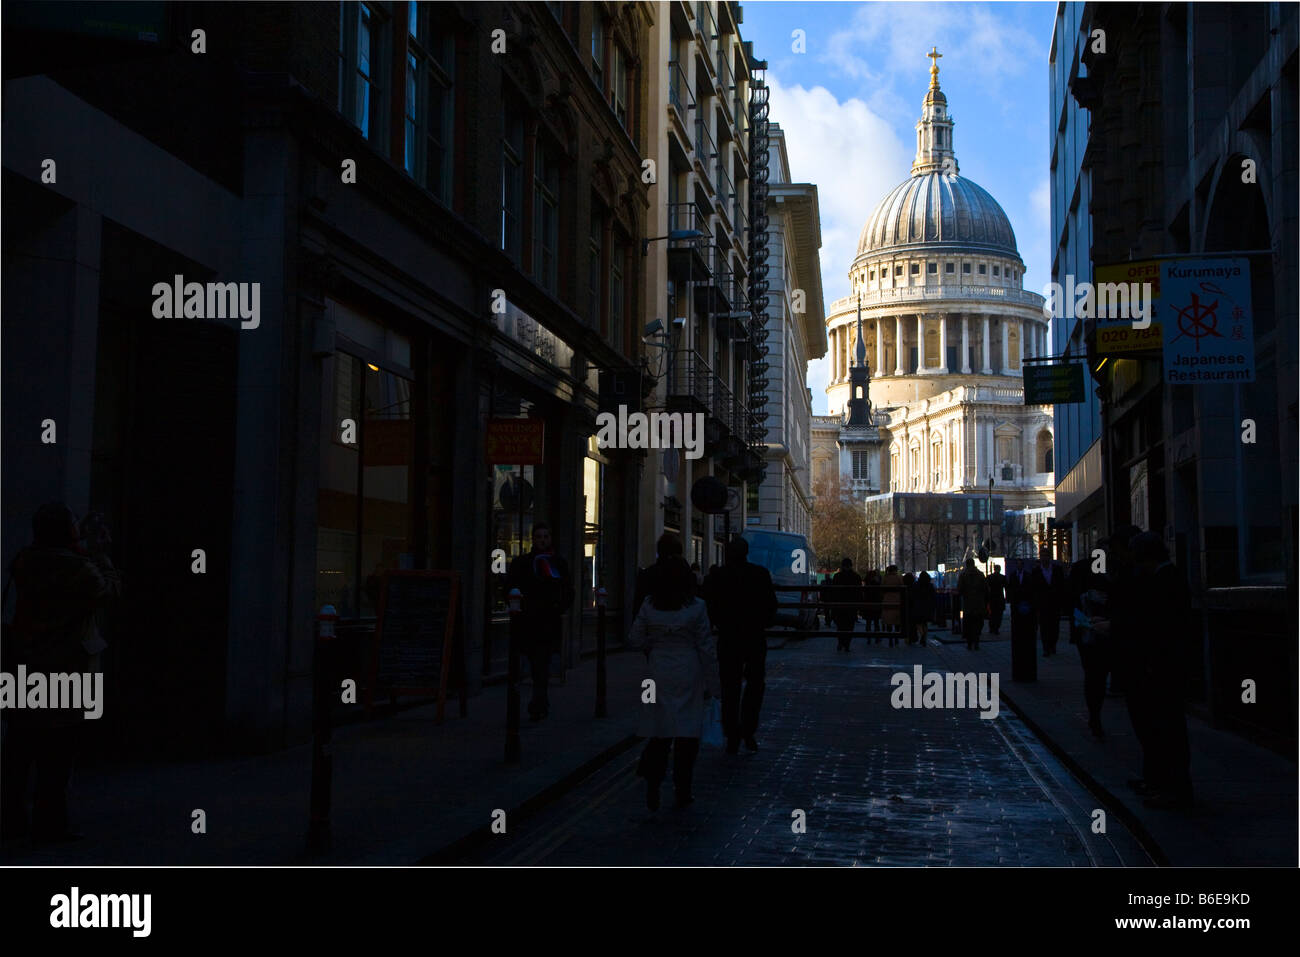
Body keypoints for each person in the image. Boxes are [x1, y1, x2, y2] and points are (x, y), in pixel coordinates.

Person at [1, 503, 120, 844]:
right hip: (66, 672)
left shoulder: (24, 562)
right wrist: (100, 553)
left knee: (19, 751)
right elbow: (109, 591)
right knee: (57, 755)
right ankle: (50, 823)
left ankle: (11, 820)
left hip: (23, 666)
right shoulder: (82, 569)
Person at [629, 553, 719, 810]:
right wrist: (715, 685)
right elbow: (706, 648)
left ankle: (653, 784)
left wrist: (654, 646)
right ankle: (683, 789)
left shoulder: (648, 605)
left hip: (657, 673)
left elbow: (634, 639)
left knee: (660, 732)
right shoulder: (697, 607)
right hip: (688, 673)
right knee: (687, 735)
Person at [1127, 531, 1194, 809]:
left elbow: (1162, 628)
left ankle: (1175, 791)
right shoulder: (1167, 577)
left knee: (1168, 731)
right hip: (1165, 666)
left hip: (1165, 668)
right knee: (1166, 730)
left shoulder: (1165, 581)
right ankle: (1168, 787)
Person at [702, 537, 778, 753]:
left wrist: (720, 622)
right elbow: (771, 606)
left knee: (730, 687)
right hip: (754, 637)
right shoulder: (760, 574)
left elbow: (709, 605)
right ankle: (748, 730)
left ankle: (732, 733)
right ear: (747, 552)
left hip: (728, 637)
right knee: (755, 685)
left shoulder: (717, 576)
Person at [507, 522, 574, 721]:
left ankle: (539, 700)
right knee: (532, 661)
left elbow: (568, 590)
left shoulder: (558, 563)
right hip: (527, 620)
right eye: (538, 537)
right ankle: (538, 700)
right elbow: (511, 587)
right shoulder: (522, 563)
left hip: (547, 620)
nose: (542, 540)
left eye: (545, 536)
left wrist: (558, 607)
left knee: (541, 662)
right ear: (533, 539)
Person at [1031, 546, 1068, 656]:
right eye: (1042, 556)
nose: (1044, 558)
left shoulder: (1057, 570)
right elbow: (1034, 589)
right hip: (1042, 604)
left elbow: (1062, 586)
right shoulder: (1036, 571)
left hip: (1054, 603)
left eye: (1046, 556)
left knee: (1054, 626)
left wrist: (1062, 602)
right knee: (1044, 626)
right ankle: (1046, 647)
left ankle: (1053, 645)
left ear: (1050, 557)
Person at [1006, 557, 1037, 680]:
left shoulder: (1028, 576)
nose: (1019, 566)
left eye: (1020, 564)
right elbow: (1010, 588)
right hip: (1017, 606)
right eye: (1017, 564)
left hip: (1025, 606)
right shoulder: (1013, 576)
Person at [829, 558, 862, 653]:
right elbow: (859, 592)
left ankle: (840, 642)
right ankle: (847, 644)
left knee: (840, 625)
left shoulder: (837, 576)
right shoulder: (856, 577)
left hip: (840, 604)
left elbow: (833, 592)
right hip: (851, 605)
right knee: (849, 625)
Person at [956, 558, 988, 650]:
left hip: (968, 604)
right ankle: (976, 641)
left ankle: (969, 643)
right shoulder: (981, 575)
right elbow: (986, 589)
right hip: (979, 604)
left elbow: (959, 589)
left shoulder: (963, 575)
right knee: (978, 623)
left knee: (968, 624)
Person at [880, 565, 904, 645]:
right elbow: (902, 587)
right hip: (897, 600)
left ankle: (890, 638)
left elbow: (881, 589)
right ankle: (896, 637)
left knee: (888, 621)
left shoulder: (885, 578)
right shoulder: (899, 578)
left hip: (887, 600)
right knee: (897, 620)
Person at [913, 571, 937, 646]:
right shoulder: (930, 585)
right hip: (927, 606)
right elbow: (933, 596)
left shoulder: (916, 584)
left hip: (919, 606)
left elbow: (914, 595)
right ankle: (924, 636)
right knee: (925, 623)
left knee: (918, 623)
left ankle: (922, 635)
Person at [985, 563, 1007, 636]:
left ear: (994, 569)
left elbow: (986, 588)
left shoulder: (989, 577)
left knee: (992, 614)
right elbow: (1006, 587)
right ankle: (996, 628)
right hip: (1000, 598)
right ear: (1000, 569)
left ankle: (992, 628)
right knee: (999, 614)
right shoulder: (1003, 577)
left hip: (992, 598)